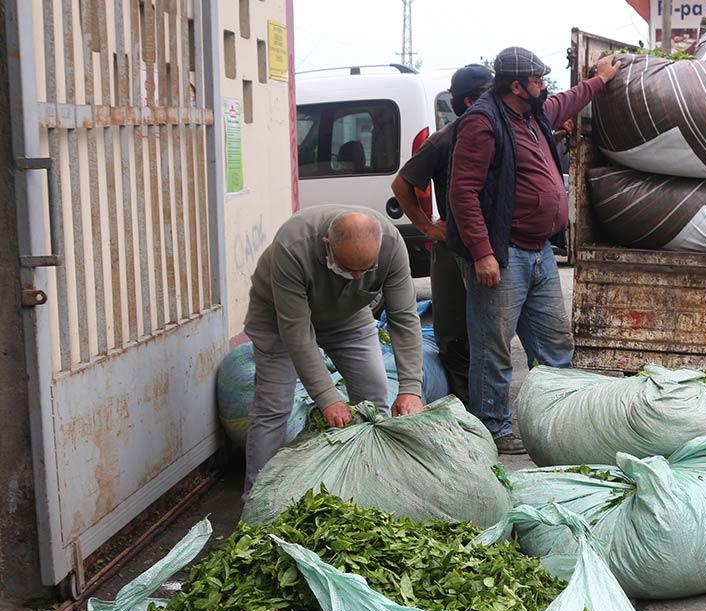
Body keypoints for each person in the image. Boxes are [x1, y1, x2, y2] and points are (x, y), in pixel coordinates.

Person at [447, 47, 621, 453]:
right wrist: (482, 252)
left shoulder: (533, 113)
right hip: (503, 255)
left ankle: (558, 420)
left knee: (554, 346)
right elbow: (463, 193)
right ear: (516, 86)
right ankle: (492, 429)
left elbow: (565, 101)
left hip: (540, 252)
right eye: (538, 81)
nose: (545, 87)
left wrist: (599, 79)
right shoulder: (483, 123)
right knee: (494, 348)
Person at [242, 206, 424, 494]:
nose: (356, 277)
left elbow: (404, 316)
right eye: (349, 269)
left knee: (375, 400)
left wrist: (411, 388)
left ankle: (377, 487)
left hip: (349, 316)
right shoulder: (292, 246)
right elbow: (297, 332)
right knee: (274, 406)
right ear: (327, 244)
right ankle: (258, 497)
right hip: (279, 319)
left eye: (365, 271)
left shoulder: (391, 245)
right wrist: (328, 399)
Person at [392, 64, 494, 405]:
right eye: (489, 93)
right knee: (454, 334)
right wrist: (427, 226)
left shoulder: (498, 131)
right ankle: (465, 407)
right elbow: (401, 184)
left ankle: (488, 405)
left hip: (493, 250)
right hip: (453, 251)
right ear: (469, 101)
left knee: (490, 333)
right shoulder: (444, 140)